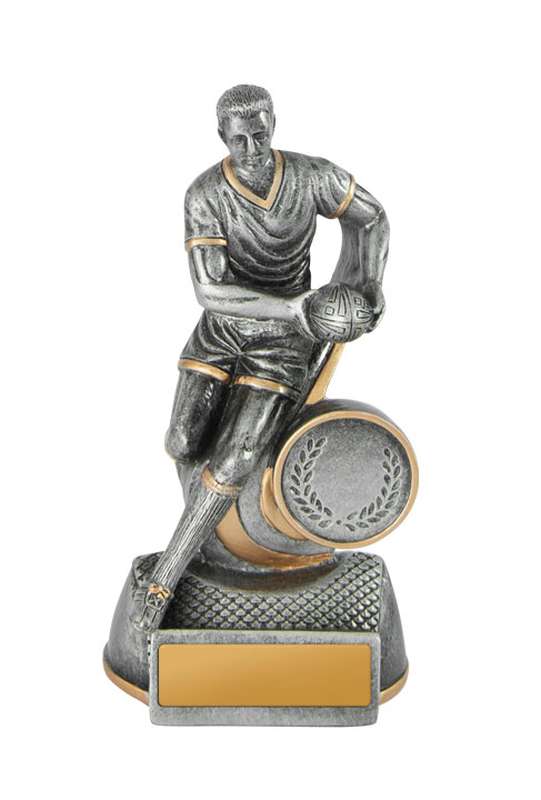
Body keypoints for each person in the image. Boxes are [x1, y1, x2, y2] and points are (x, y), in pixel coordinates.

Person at [137, 84, 389, 631]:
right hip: (223, 330)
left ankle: (168, 576)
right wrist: (293, 306)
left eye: (259, 134)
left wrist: (366, 284)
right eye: (239, 139)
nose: (251, 149)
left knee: (238, 455)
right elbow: (209, 291)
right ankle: (215, 538)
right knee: (181, 441)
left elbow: (370, 217)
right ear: (221, 137)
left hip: (283, 343)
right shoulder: (204, 194)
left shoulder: (311, 175)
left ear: (273, 123)